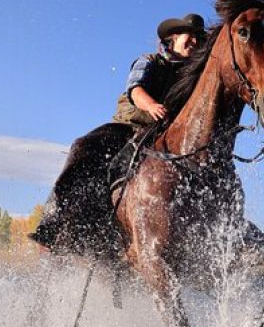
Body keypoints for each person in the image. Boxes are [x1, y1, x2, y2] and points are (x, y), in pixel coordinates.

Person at [29, 13, 206, 256]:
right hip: (128, 127)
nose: (195, 41)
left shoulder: (192, 77)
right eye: (191, 36)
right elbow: (135, 89)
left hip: (162, 139)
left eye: (199, 38)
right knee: (82, 146)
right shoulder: (150, 61)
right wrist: (151, 105)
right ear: (173, 38)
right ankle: (53, 222)